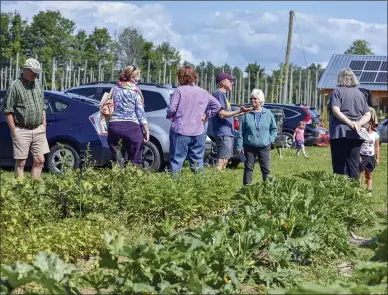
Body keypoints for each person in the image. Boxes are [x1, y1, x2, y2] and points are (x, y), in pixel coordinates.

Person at [166, 66, 249, 175]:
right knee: (197, 161)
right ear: (194, 77)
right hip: (199, 131)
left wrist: (171, 116)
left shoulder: (179, 90)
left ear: (180, 77)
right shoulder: (203, 92)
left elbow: (172, 108)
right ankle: (200, 185)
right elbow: (217, 106)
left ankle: (174, 186)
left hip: (180, 130)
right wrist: (206, 115)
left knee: (177, 160)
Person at [4, 58, 49, 179]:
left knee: (40, 160)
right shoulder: (14, 86)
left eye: (37, 71)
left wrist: (43, 125)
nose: (36, 74)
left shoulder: (38, 83)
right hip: (22, 130)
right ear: (25, 70)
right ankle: (21, 191)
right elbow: (8, 110)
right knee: (21, 162)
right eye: (33, 71)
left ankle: (34, 191)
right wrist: (14, 131)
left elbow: (42, 106)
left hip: (38, 129)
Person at [329, 68, 371, 179]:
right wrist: (358, 123)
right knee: (354, 166)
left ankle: (340, 193)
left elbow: (335, 110)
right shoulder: (360, 93)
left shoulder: (337, 91)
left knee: (339, 167)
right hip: (356, 135)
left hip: (340, 133)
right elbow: (368, 114)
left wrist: (350, 123)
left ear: (340, 78)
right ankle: (354, 194)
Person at [107, 65, 149, 168]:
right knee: (135, 160)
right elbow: (140, 113)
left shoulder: (115, 89)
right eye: (138, 76)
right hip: (132, 127)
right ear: (133, 77)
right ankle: (132, 180)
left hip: (114, 126)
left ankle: (118, 178)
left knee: (117, 160)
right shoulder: (135, 91)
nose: (139, 78)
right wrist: (147, 131)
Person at [236, 89, 278, 185]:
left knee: (266, 170)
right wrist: (239, 145)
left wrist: (270, 139)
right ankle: (247, 190)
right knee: (248, 168)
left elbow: (274, 129)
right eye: (251, 98)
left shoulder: (268, 113)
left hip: (264, 146)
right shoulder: (247, 114)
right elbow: (240, 131)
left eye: (255, 98)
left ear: (261, 100)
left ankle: (268, 189)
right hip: (249, 146)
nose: (252, 100)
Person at [211, 72, 237, 171]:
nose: (232, 83)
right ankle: (215, 181)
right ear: (223, 82)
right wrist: (239, 111)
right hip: (223, 132)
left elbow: (227, 113)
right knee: (222, 160)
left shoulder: (223, 95)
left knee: (225, 159)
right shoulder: (218, 93)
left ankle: (218, 179)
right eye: (230, 81)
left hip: (227, 132)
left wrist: (243, 112)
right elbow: (222, 114)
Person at [359, 119, 380, 194]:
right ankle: (360, 190)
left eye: (368, 123)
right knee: (361, 175)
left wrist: (377, 158)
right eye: (364, 124)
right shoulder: (361, 133)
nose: (366, 125)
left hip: (371, 157)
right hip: (362, 156)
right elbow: (357, 145)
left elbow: (377, 147)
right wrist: (358, 156)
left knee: (369, 175)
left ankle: (369, 192)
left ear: (371, 124)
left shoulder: (375, 134)